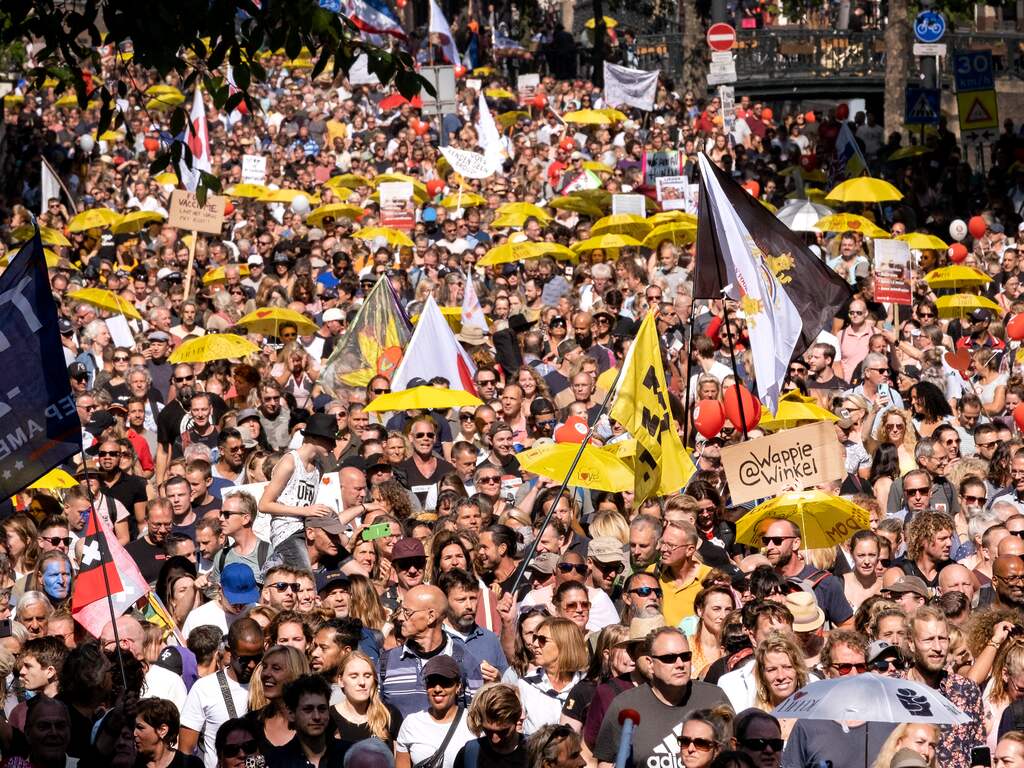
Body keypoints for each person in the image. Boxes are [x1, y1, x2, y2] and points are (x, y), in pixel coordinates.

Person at [594, 628, 729, 768]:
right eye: (669, 658)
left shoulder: (714, 699)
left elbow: (734, 756)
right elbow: (605, 762)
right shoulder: (624, 706)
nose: (680, 664)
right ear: (650, 663)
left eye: (685, 656)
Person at [180, 618, 264, 768]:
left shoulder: (270, 686)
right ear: (229, 652)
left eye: (257, 658)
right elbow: (186, 750)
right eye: (244, 659)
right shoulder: (204, 688)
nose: (252, 665)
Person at [395, 655, 475, 768]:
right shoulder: (411, 723)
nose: (437, 689)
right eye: (432, 682)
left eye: (445, 682)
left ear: (458, 686)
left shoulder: (473, 722)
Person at [516, 617, 587, 735]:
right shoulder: (526, 685)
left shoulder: (587, 685)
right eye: (535, 638)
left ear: (564, 644)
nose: (534, 644)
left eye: (542, 640)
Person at [265, 674, 345, 768]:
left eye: (322, 709)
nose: (317, 716)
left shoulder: (351, 755)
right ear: (291, 714)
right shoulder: (276, 761)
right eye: (308, 709)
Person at [332, 650, 402, 746]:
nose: (362, 682)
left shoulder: (389, 714)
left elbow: (399, 759)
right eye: (354, 676)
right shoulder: (329, 718)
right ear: (341, 681)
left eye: (367, 676)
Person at [454, 682, 527, 768]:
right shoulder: (470, 754)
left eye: (503, 732)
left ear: (517, 718)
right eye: (488, 730)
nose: (495, 739)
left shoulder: (536, 753)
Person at [133, 697, 204, 768]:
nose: (134, 733)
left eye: (140, 727)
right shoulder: (129, 763)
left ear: (162, 730)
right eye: (133, 727)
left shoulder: (192, 765)